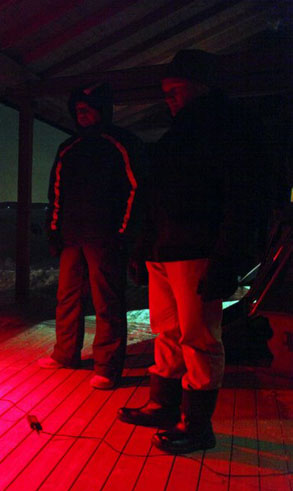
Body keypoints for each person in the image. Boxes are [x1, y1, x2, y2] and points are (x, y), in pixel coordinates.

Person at [118, 49, 264, 454]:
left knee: (199, 338)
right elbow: (155, 199)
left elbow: (242, 200)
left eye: (176, 90)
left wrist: (226, 259)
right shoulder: (176, 137)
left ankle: (197, 425)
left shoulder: (229, 130)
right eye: (166, 92)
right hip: (165, 251)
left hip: (199, 251)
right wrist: (143, 248)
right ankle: (164, 405)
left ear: (201, 86)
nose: (168, 99)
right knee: (166, 330)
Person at [39, 83, 144, 390]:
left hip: (106, 238)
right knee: (67, 297)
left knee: (107, 301)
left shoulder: (121, 143)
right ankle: (65, 353)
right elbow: (56, 194)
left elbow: (136, 190)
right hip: (72, 237)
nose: (82, 114)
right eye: (78, 110)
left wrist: (124, 233)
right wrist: (54, 230)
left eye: (88, 109)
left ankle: (108, 366)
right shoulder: (68, 148)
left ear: (102, 110)